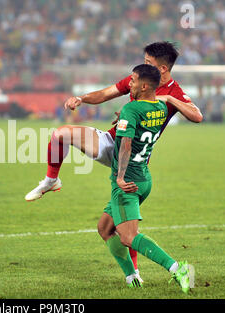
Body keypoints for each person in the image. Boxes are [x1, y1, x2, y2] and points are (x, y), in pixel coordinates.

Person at [25, 41, 202, 283]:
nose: (140, 68)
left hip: (129, 163)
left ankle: (161, 271)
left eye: (148, 63)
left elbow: (196, 115)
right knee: (60, 135)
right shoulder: (138, 80)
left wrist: (168, 101)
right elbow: (108, 92)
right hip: (114, 144)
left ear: (161, 69)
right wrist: (82, 99)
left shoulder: (170, 92)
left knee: (126, 232)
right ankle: (50, 180)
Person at [105, 63, 190, 292]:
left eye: (132, 81)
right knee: (105, 227)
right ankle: (131, 277)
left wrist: (120, 178)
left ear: (143, 85)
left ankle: (176, 268)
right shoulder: (160, 108)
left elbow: (125, 144)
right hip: (144, 178)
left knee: (128, 237)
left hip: (128, 182)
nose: (128, 84)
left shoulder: (131, 110)